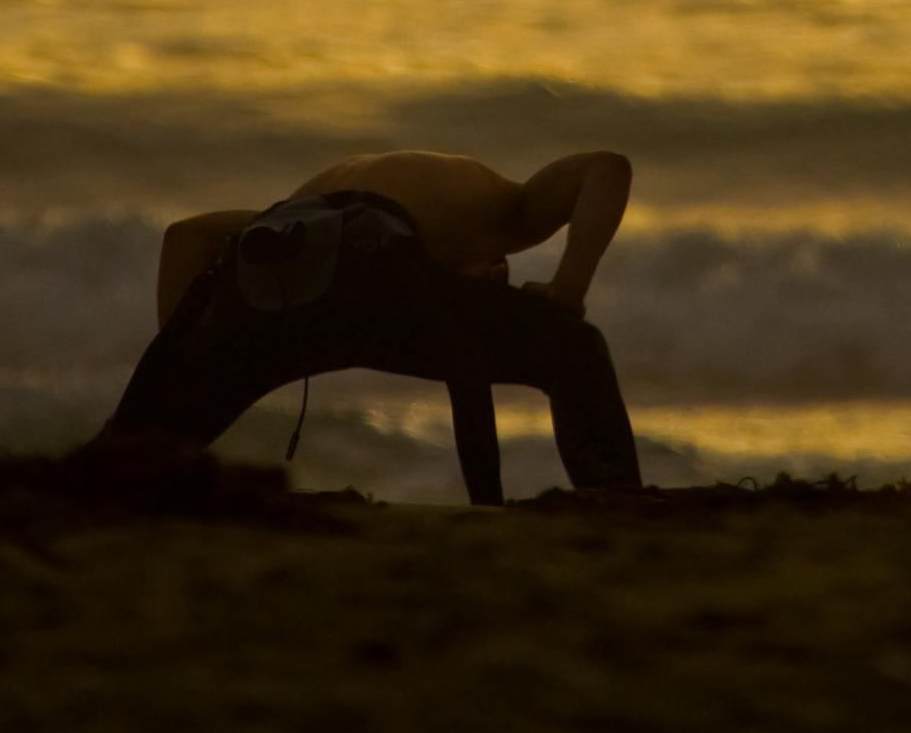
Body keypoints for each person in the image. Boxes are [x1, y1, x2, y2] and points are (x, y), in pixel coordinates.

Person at [100, 149, 644, 505]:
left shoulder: (305, 208)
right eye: (497, 273)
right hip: (376, 250)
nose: (495, 282)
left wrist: (186, 363)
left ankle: (111, 478)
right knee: (575, 349)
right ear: (493, 252)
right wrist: (567, 289)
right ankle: (614, 501)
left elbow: (186, 238)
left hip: (267, 272)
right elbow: (608, 167)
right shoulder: (499, 208)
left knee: (147, 442)